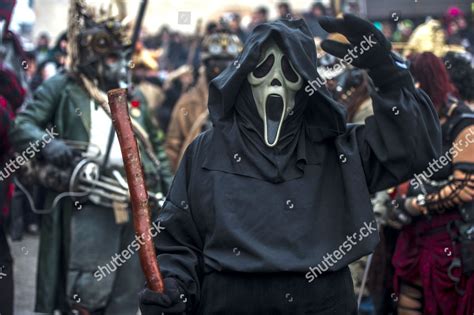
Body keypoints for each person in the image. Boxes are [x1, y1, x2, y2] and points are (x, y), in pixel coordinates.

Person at [139, 15, 441, 314]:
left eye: (289, 70)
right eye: (263, 68)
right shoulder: (206, 151)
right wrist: (175, 286)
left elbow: (415, 147)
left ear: (305, 82)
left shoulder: (339, 148)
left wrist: (387, 71)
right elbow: (179, 241)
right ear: (244, 75)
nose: (275, 81)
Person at [9, 0, 173, 313]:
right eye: (111, 57)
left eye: (122, 57)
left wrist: (171, 198)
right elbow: (23, 124)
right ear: (91, 55)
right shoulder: (62, 86)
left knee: (126, 294)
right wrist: (47, 144)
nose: (119, 65)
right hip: (85, 204)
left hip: (134, 207)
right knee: (85, 294)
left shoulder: (132, 97)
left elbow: (156, 151)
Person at [391, 52, 474, 315]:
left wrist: (418, 203)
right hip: (418, 232)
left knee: (447, 301)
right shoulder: (421, 118)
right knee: (408, 296)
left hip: (453, 236)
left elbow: (466, 188)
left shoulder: (462, 122)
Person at [166, 31, 243, 171]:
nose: (222, 68)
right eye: (216, 62)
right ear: (206, 64)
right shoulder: (188, 103)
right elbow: (173, 146)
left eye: (229, 62)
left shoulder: (249, 103)